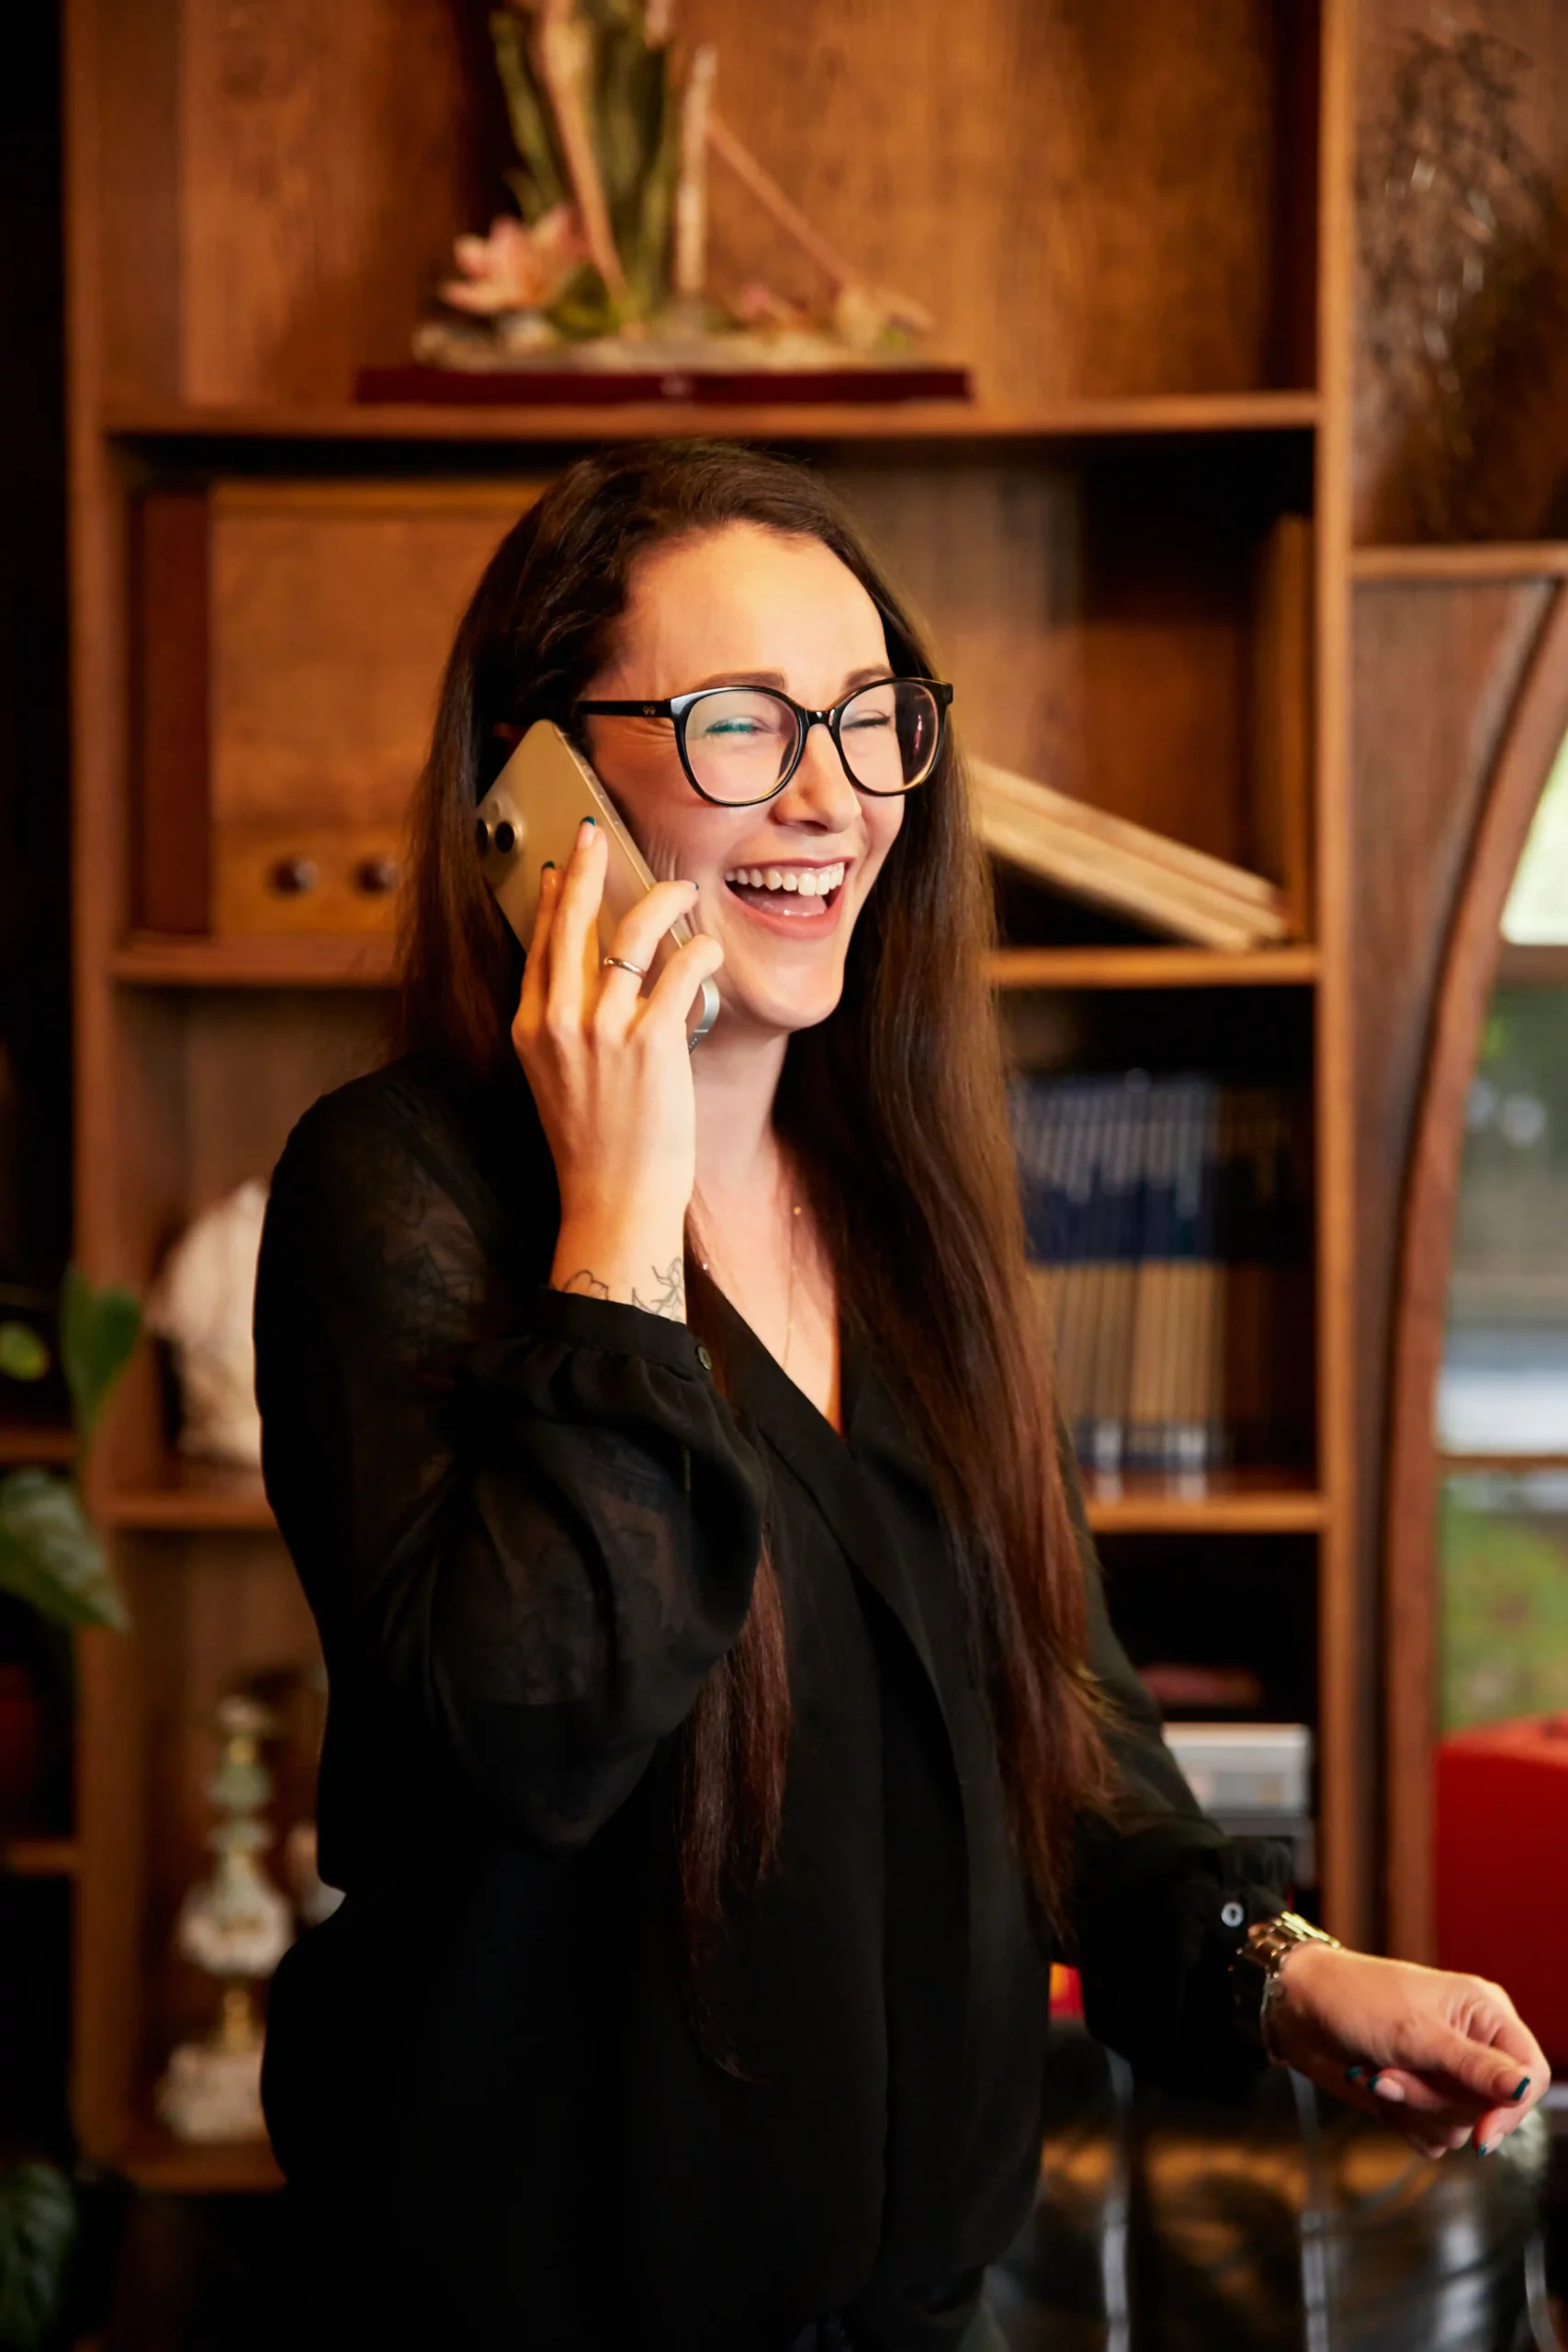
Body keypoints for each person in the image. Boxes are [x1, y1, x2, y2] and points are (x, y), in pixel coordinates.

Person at [254, 442, 1547, 2352]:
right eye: (735, 726)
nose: (830, 799)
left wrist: (1289, 1967)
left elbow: (1066, 1722)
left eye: (871, 725)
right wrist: (616, 1215)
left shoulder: (907, 1215)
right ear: (537, 785)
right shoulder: (399, 1185)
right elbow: (522, 1736)